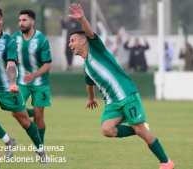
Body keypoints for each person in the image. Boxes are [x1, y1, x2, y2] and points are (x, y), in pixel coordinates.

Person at [68, 3, 174, 169]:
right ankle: (137, 128)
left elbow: (89, 31)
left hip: (126, 94)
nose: (70, 44)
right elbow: (89, 83)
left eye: (72, 40)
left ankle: (166, 162)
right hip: (112, 103)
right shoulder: (86, 66)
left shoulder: (97, 49)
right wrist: (90, 98)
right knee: (107, 129)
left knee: (142, 131)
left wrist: (82, 18)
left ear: (84, 41)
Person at [0, 6, 45, 158]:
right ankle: (8, 141)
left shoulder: (8, 41)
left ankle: (40, 149)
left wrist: (12, 82)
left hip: (8, 89)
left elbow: (11, 64)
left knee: (24, 121)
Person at [12, 9, 52, 146]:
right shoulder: (15, 38)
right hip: (22, 82)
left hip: (40, 83)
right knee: (15, 110)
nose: (21, 23)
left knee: (39, 116)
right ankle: (33, 112)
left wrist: (34, 75)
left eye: (24, 20)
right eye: (19, 20)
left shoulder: (41, 40)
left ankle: (40, 146)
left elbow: (48, 64)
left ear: (32, 21)